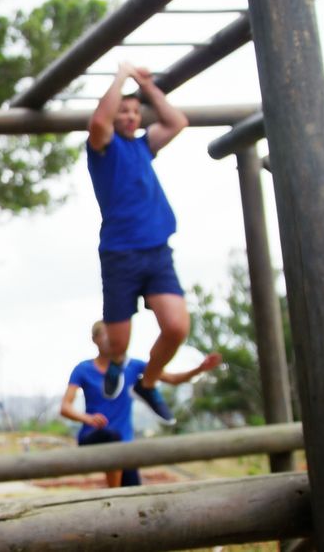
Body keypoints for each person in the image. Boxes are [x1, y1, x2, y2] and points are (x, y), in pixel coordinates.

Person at [86, 61, 192, 424]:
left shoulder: (144, 146)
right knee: (119, 344)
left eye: (135, 112)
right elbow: (99, 123)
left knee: (177, 327)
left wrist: (146, 86)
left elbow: (177, 121)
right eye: (123, 111)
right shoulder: (103, 149)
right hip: (120, 254)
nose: (130, 117)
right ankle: (118, 363)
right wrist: (120, 76)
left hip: (157, 250)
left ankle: (147, 384)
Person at [60, 321, 222, 488]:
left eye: (114, 335)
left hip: (125, 443)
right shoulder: (83, 369)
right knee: (113, 440)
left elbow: (173, 379)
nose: (111, 339)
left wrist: (200, 369)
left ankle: (118, 497)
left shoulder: (132, 366)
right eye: (105, 334)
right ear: (95, 339)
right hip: (93, 437)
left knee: (134, 491)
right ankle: (112, 495)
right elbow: (65, 407)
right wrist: (87, 418)